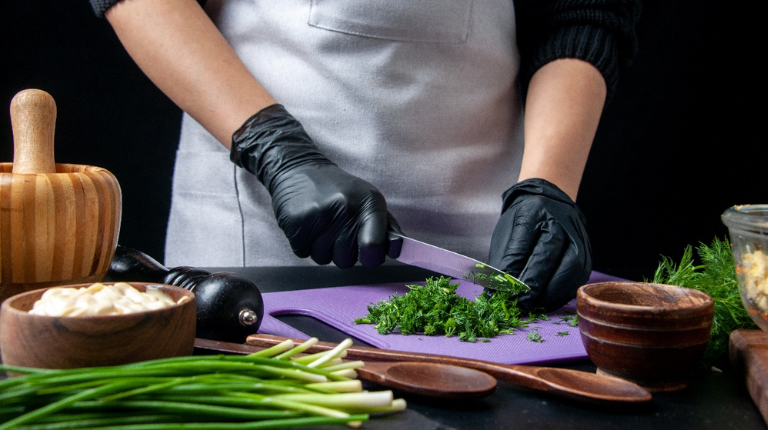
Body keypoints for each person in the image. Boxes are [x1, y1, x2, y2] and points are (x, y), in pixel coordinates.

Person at [89, 0, 640, 311]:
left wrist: (548, 185)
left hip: (486, 238)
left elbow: (584, 13)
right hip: (257, 232)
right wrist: (276, 151)